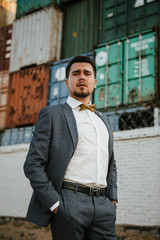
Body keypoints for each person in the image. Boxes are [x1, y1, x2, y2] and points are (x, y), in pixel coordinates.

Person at [24, 55, 118, 240]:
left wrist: (112, 200)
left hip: (103, 207)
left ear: (95, 82)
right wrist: (55, 203)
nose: (82, 76)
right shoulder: (51, 115)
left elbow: (111, 162)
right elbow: (33, 164)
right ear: (67, 82)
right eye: (76, 73)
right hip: (68, 203)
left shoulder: (104, 120)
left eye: (87, 73)